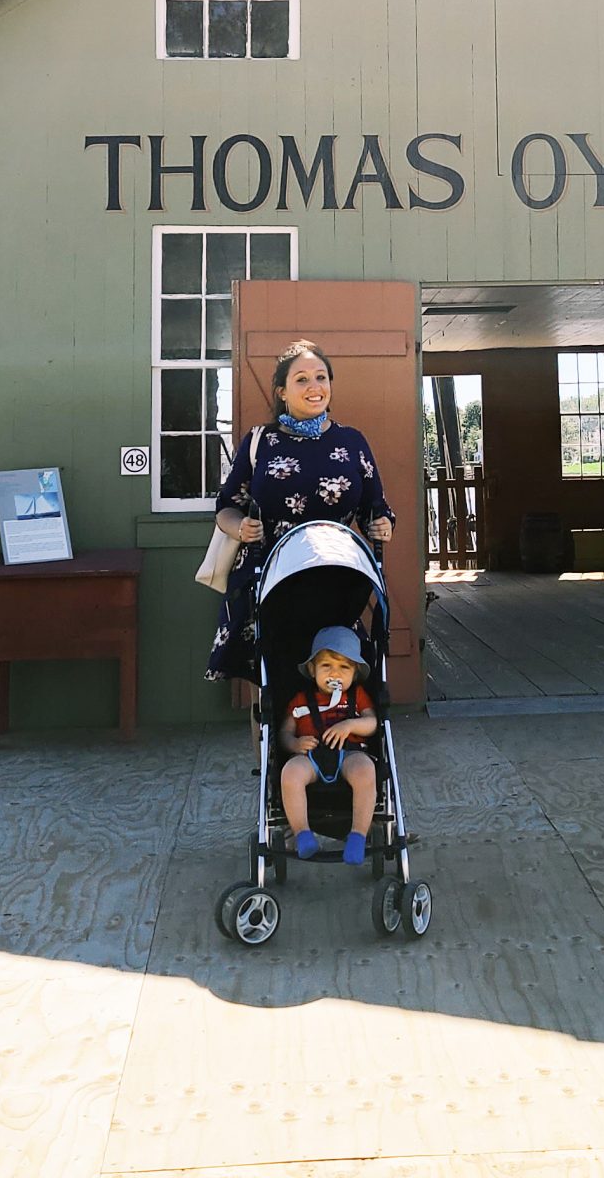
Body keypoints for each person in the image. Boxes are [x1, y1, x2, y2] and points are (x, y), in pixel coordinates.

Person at [206, 339, 396, 691]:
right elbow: (226, 506)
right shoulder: (260, 442)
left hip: (335, 583)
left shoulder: (352, 442)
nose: (314, 387)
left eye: (321, 377)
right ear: (282, 391)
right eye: (302, 379)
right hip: (269, 579)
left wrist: (383, 525)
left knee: (333, 677)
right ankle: (277, 747)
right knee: (270, 687)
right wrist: (241, 528)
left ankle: (335, 746)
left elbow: (378, 510)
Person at [281, 625, 378, 864]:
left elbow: (372, 723)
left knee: (366, 771)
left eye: (344, 667)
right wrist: (294, 744)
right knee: (290, 773)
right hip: (310, 756)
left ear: (354, 673)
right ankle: (303, 833)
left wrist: (350, 726)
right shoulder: (301, 699)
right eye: (326, 666)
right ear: (313, 669)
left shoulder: (357, 695)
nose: (335, 674)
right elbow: (284, 732)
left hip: (349, 753)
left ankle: (357, 836)